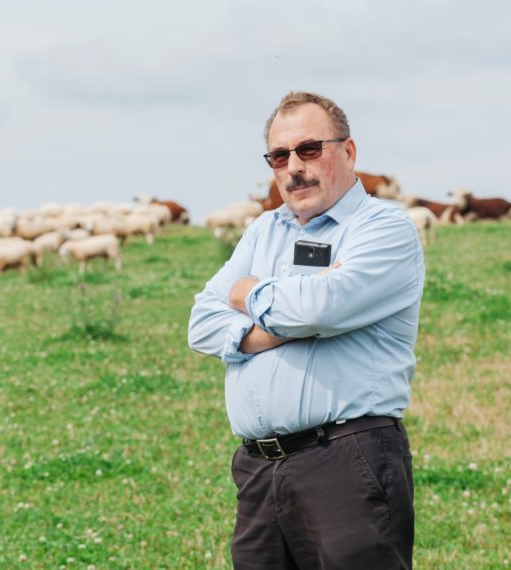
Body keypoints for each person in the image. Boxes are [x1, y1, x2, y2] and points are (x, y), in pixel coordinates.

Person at [188, 91, 424, 569]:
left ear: (348, 152)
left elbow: (322, 306)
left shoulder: (383, 228)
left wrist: (250, 295)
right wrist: (280, 325)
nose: (294, 166)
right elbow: (202, 323)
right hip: (259, 469)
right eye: (280, 155)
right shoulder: (263, 230)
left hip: (345, 460)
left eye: (309, 149)